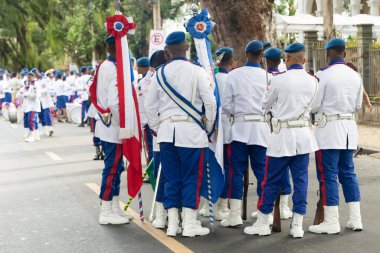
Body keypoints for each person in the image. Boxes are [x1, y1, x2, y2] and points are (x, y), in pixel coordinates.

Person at [145, 31, 216, 237]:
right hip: (192, 134)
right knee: (191, 178)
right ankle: (190, 224)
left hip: (167, 134)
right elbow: (210, 103)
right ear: (186, 48)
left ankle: (173, 224)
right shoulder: (197, 71)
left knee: (171, 177)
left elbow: (150, 107)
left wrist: (159, 128)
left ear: (167, 51)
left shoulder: (159, 73)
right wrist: (209, 127)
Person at [245, 43, 318, 238]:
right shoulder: (313, 81)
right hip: (303, 136)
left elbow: (265, 104)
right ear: (303, 59)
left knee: (271, 181)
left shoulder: (279, 80)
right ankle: (297, 225)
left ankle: (262, 221)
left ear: (287, 58)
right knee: (301, 181)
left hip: (282, 137)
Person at [309, 38, 364, 234]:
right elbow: (358, 105)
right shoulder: (355, 75)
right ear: (345, 54)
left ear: (328, 53)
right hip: (349, 129)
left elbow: (314, 105)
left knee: (328, 174)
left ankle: (331, 221)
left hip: (329, 130)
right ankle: (356, 219)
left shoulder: (323, 75)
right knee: (348, 174)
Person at [221, 40, 271, 228]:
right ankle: (263, 211)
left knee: (236, 171)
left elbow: (226, 105)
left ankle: (234, 215)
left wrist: (238, 112)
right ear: (262, 56)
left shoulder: (234, 75)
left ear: (246, 55)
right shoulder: (268, 77)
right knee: (262, 171)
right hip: (260, 128)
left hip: (240, 129)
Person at [92, 35, 130, 225]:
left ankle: (114, 206)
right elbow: (115, 102)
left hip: (107, 124)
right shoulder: (114, 68)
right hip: (115, 125)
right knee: (113, 167)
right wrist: (126, 121)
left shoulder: (104, 65)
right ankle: (106, 210)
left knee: (116, 166)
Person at [199, 47, 235, 221]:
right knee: (225, 167)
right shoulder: (231, 79)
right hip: (226, 130)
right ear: (232, 62)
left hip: (209, 128)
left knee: (209, 164)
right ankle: (222, 206)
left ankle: (207, 204)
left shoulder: (209, 78)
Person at [260, 47, 293, 220]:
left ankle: (276, 207)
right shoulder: (285, 76)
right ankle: (284, 205)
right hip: (279, 126)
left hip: (271, 127)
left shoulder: (273, 78)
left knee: (272, 168)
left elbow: (265, 104)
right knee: (285, 167)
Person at [137, 56, 154, 163]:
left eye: (138, 67)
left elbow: (144, 102)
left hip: (148, 119)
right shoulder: (143, 80)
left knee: (150, 146)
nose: (136, 69)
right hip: (150, 118)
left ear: (144, 69)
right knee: (150, 146)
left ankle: (152, 173)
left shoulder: (146, 81)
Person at [18, 72, 41, 142]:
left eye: (30, 77)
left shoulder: (35, 85)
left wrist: (26, 95)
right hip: (27, 106)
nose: (28, 78)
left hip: (33, 106)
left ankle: (32, 136)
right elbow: (20, 95)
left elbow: (35, 96)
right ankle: (35, 135)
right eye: (28, 77)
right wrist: (23, 95)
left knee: (31, 120)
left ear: (34, 77)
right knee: (29, 120)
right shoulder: (27, 85)